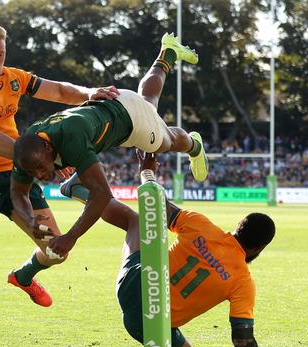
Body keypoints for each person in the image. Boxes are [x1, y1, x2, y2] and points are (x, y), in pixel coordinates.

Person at [0, 21, 120, 347]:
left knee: (57, 250)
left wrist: (88, 93)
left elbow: (57, 90)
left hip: (17, 173)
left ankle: (23, 276)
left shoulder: (13, 76)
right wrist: (44, 163)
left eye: (1, 54)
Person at [59, 150, 274, 347]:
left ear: (238, 226)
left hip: (131, 286)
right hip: (152, 322)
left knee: (136, 221)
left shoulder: (201, 225)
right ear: (260, 247)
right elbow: (242, 340)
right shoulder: (243, 282)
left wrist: (147, 172)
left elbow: (156, 206)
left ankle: (79, 190)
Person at [11, 33, 208, 260]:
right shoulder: (27, 150)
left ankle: (194, 145)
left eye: (40, 167)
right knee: (148, 100)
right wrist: (29, 220)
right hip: (116, 105)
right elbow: (17, 190)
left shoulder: (70, 137)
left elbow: (102, 194)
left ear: (47, 149)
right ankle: (168, 53)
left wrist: (71, 236)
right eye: (33, 172)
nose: (40, 175)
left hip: (133, 122)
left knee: (168, 141)